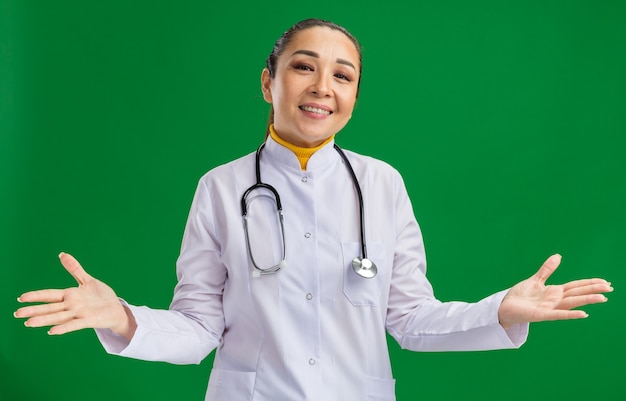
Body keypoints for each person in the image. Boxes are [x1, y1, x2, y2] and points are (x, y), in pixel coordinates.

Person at [14, 18, 612, 401]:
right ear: (269, 81)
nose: (322, 86)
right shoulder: (220, 188)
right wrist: (119, 316)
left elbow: (410, 320)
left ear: (353, 95)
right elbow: (199, 330)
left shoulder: (382, 185)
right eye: (303, 66)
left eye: (342, 75)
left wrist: (500, 310)